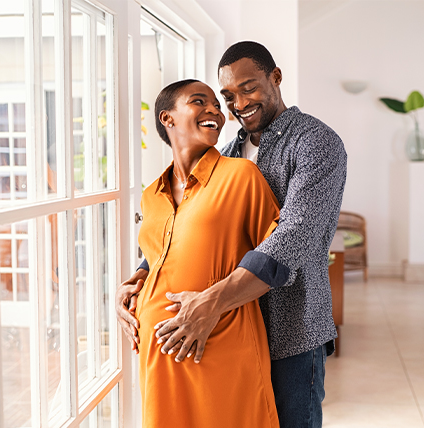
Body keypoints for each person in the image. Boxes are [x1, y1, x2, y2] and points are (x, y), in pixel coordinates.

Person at [116, 41, 347, 428]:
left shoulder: (315, 143)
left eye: (249, 88)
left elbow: (294, 237)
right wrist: (143, 273)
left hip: (290, 331)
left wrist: (210, 302)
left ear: (275, 78)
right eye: (228, 96)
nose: (238, 104)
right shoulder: (227, 151)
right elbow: (195, 222)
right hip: (229, 331)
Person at [134, 79, 280, 427]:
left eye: (217, 104)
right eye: (199, 101)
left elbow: (277, 259)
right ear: (167, 118)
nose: (215, 109)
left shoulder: (242, 176)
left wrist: (212, 304)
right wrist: (132, 289)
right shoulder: (151, 195)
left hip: (222, 344)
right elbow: (159, 260)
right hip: (160, 353)